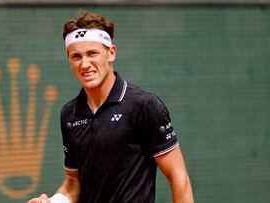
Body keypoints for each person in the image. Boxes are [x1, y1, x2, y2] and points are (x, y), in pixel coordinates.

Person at [28, 11, 194, 203]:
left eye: (92, 53)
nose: (84, 64)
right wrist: (53, 202)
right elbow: (74, 183)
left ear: (111, 53)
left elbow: (178, 178)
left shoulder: (144, 105)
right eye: (76, 56)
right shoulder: (69, 114)